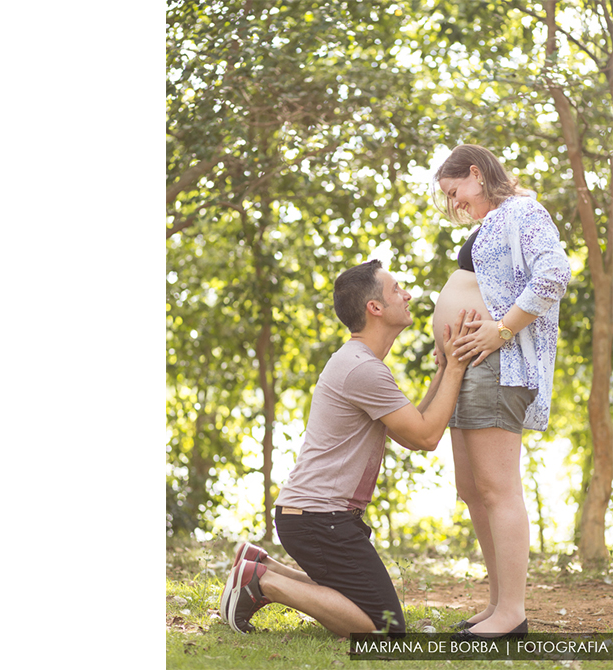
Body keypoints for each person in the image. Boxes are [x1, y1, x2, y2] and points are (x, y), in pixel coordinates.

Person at [219, 259, 477, 638]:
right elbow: (427, 437)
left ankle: (264, 567)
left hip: (314, 516)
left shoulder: (360, 364)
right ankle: (262, 583)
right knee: (385, 632)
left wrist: (442, 371)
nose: (406, 295)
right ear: (375, 308)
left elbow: (411, 433)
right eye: (396, 290)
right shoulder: (362, 369)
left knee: (368, 608)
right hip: (320, 520)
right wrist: (455, 367)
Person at [430, 144, 571, 641]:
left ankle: (512, 612)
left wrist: (502, 331)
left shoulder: (523, 211)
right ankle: (496, 605)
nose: (454, 204)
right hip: (468, 367)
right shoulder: (488, 225)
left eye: (455, 192)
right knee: (471, 490)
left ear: (475, 172)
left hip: (500, 364)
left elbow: (554, 275)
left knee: (497, 487)